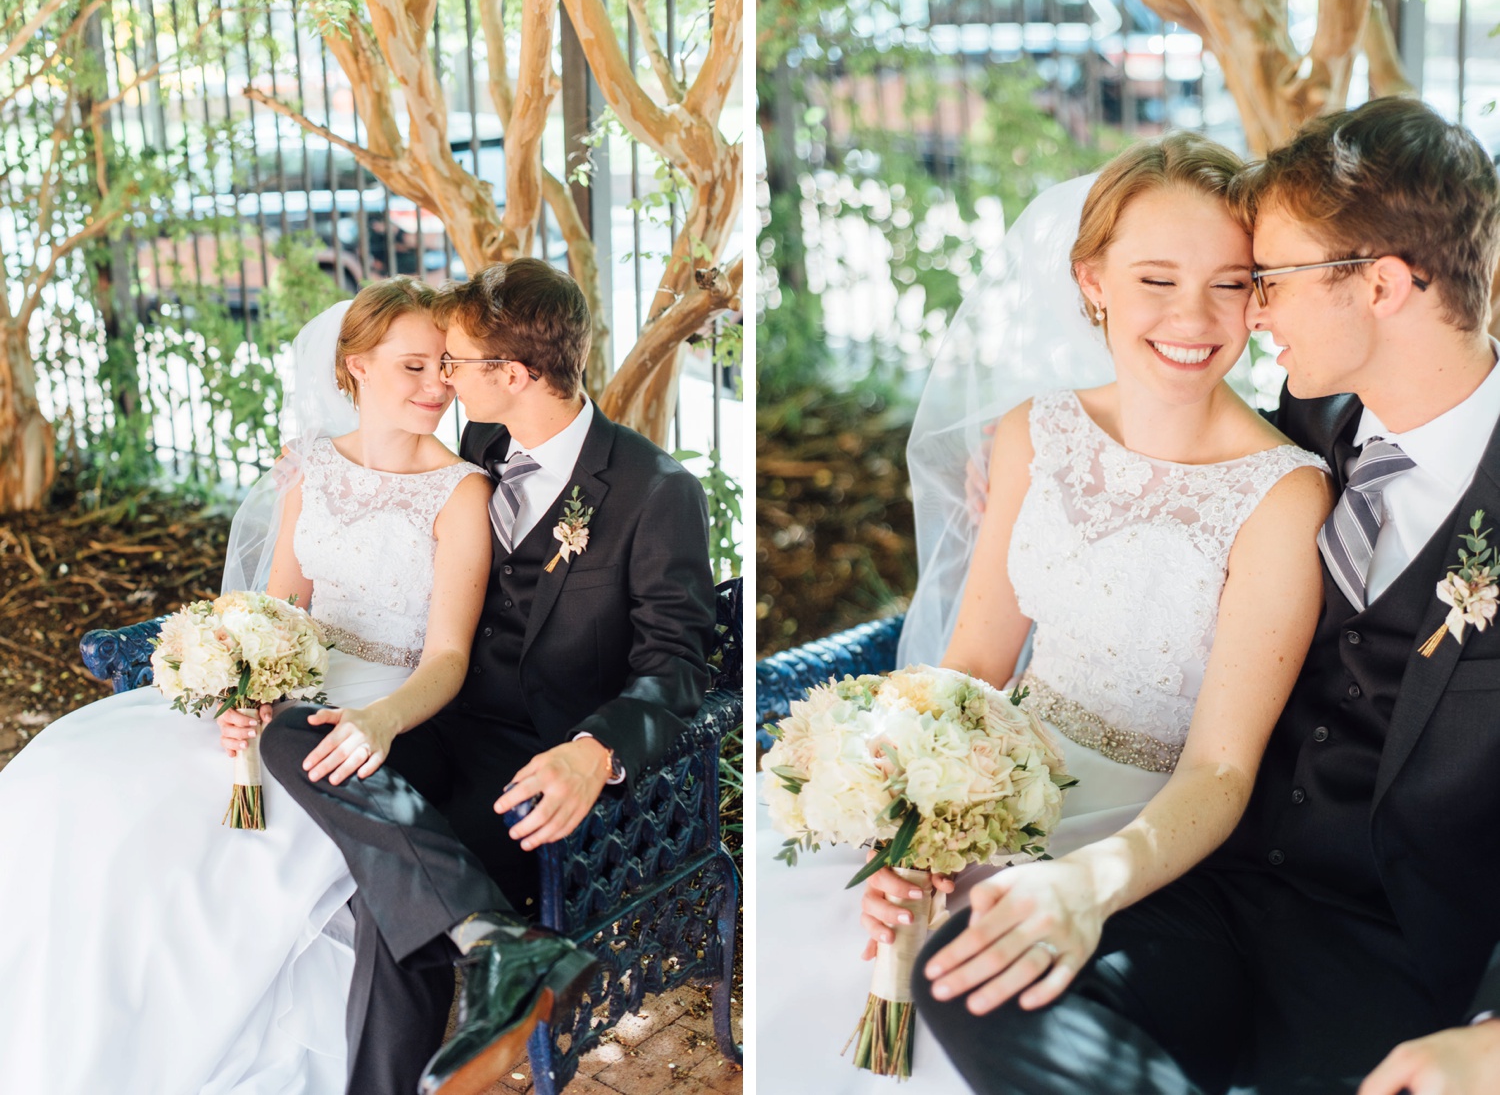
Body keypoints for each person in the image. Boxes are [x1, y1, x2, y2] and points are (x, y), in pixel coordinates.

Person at [915, 97, 1500, 1094]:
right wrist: (1043, 474)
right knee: (970, 971)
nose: (1251, 312)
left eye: (1264, 279)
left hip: (1398, 956)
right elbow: (1176, 449)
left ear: (1384, 285)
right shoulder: (1312, 425)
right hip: (1215, 889)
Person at [758, 131, 1334, 1092]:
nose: (1193, 316)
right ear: (1092, 278)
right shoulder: (1034, 432)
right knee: (823, 951)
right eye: (1156, 279)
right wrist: (906, 816)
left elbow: (1222, 770)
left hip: (1147, 835)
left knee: (967, 995)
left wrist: (1086, 883)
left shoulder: (1282, 495)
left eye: (1230, 283)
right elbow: (976, 659)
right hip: (984, 783)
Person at [224, 258, 719, 1095]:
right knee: (289, 732)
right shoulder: (484, 443)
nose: (443, 377)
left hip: (533, 753)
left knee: (394, 910)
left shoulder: (655, 491)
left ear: (514, 375)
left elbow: (677, 665)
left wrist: (594, 751)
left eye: (453, 360)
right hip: (428, 715)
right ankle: (498, 941)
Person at [0, 277, 499, 1093]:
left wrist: (374, 720)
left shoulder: (461, 492)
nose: (438, 385)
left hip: (373, 702)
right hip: (286, 683)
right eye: (414, 366)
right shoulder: (309, 471)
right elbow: (276, 608)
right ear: (355, 368)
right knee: (73, 783)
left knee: (202, 848)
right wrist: (244, 689)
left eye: (446, 365)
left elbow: (446, 659)